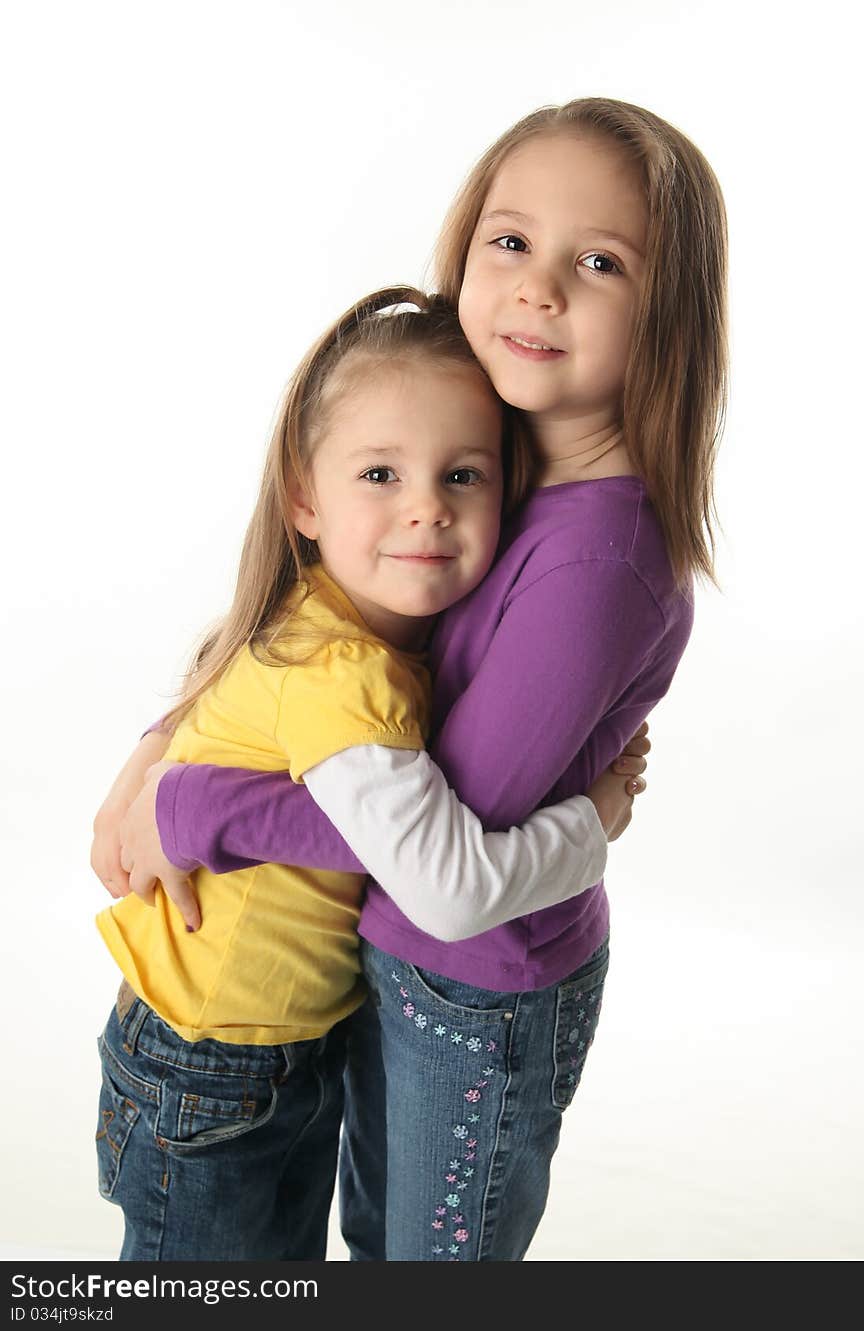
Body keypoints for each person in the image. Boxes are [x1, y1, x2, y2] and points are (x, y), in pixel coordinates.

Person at [100, 94, 725, 1262]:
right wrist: (166, 742)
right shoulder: (481, 427)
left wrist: (201, 803)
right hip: (375, 967)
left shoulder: (592, 558)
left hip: (472, 988)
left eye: (600, 261)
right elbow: (308, 604)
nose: (539, 288)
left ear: (669, 312)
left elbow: (439, 852)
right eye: (511, 241)